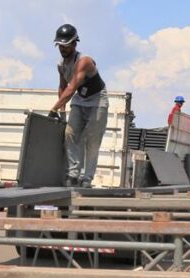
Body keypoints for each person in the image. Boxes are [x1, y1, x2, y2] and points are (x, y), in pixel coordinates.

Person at [48, 23, 108, 188]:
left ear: (75, 43)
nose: (63, 49)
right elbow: (62, 86)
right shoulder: (61, 65)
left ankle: (87, 178)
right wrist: (61, 110)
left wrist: (53, 108)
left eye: (66, 46)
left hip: (97, 100)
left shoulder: (84, 62)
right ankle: (74, 173)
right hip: (80, 100)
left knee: (92, 140)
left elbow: (72, 87)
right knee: (70, 133)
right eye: (60, 46)